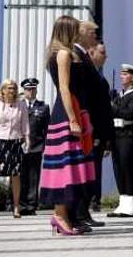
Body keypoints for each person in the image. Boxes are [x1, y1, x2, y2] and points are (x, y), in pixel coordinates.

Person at [40, 15, 96, 235]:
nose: (79, 32)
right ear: (67, 30)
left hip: (71, 110)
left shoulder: (61, 52)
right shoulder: (63, 54)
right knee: (65, 167)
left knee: (69, 167)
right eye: (75, 29)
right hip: (66, 113)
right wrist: (73, 119)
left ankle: (65, 217)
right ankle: (60, 216)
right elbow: (65, 88)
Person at [71, 22, 111, 229]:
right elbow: (87, 99)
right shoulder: (80, 60)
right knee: (86, 172)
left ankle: (83, 211)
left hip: (96, 129)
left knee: (91, 172)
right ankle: (79, 212)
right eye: (102, 52)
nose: (104, 56)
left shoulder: (96, 72)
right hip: (90, 127)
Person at [0, 79, 30, 218]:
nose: (11, 90)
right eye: (9, 88)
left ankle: (16, 207)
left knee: (16, 175)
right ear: (3, 90)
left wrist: (27, 141)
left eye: (13, 88)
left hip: (15, 142)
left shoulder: (21, 105)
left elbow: (25, 125)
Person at [107, 64, 133, 218]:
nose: (122, 76)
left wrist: (113, 107)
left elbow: (129, 114)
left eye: (125, 74)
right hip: (116, 134)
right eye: (121, 74)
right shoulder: (119, 95)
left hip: (127, 134)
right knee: (118, 168)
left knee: (127, 167)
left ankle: (131, 205)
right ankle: (122, 203)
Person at [18, 78, 50, 216]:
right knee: (19, 176)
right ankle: (17, 204)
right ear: (23, 91)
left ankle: (31, 205)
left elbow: (47, 129)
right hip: (18, 146)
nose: (30, 92)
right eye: (28, 89)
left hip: (36, 146)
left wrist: (46, 146)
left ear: (36, 90)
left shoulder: (43, 107)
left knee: (33, 176)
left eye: (33, 89)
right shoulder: (17, 106)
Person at [87, 42, 111, 212]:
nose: (105, 56)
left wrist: (106, 137)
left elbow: (105, 110)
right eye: (102, 52)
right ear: (92, 52)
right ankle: (88, 202)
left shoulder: (100, 77)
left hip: (99, 133)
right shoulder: (88, 74)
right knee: (89, 169)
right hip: (90, 132)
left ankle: (95, 201)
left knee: (96, 169)